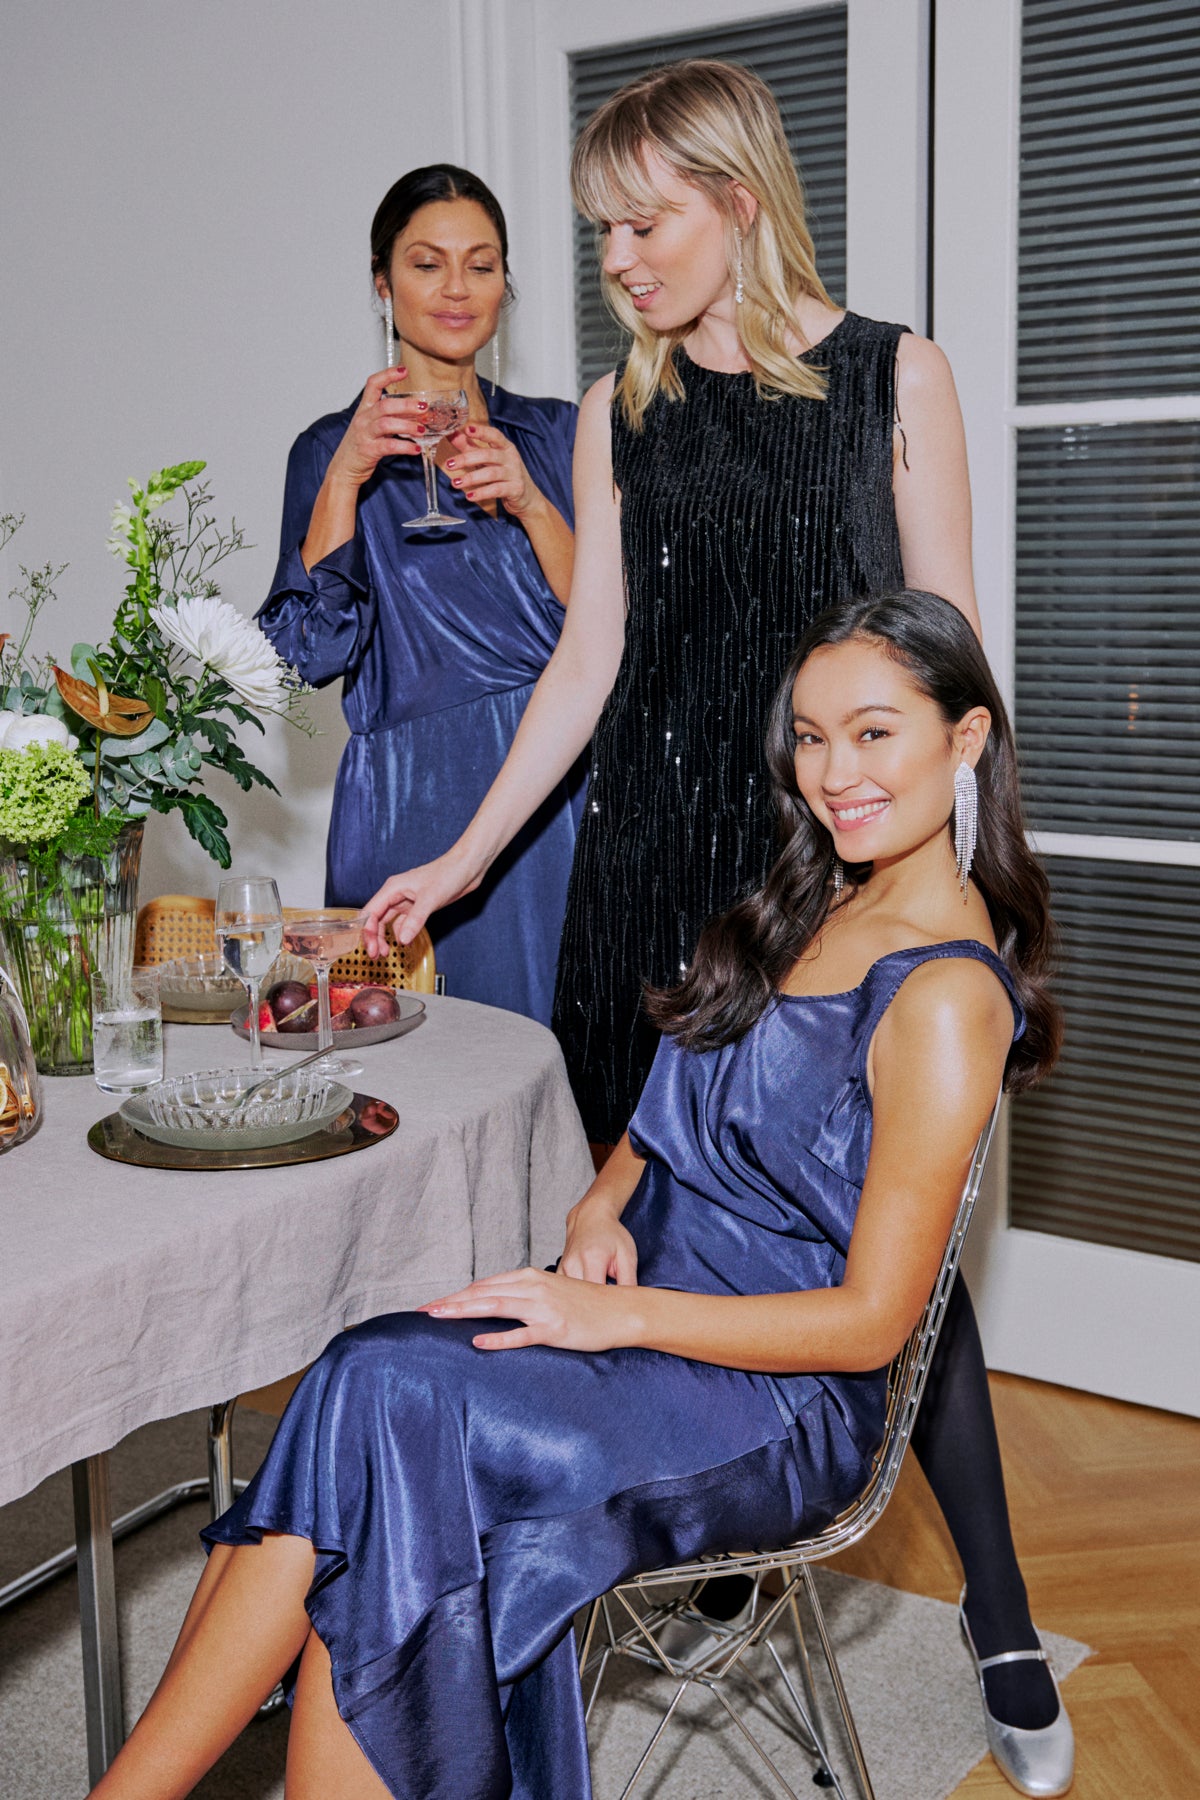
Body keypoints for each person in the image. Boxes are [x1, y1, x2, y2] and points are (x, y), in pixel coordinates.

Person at [358, 64, 1073, 1788]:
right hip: (653, 879)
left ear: (742, 199)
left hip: (839, 875)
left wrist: (957, 916)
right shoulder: (621, 409)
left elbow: (950, 651)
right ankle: (707, 1533)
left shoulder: (899, 377)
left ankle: (996, 1613)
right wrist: (456, 862)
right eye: (599, 227)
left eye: (643, 219)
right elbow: (588, 658)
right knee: (658, 1220)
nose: (614, 254)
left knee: (888, 1288)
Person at [88, 593, 1070, 1800]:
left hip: (772, 1402)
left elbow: (874, 1322)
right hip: (650, 1311)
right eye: (811, 738)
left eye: (874, 734)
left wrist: (616, 1318)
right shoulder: (827, 891)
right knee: (366, 1388)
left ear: (966, 740)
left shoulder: (946, 1001)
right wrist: (603, 1204)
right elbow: (675, 1099)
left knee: (391, 1406)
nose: (834, 773)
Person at [258, 164, 583, 1025]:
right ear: (381, 281)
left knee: (568, 1077)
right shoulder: (327, 449)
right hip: (405, 798)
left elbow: (612, 631)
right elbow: (305, 655)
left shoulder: (560, 433)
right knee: (406, 1073)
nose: (456, 289)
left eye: (481, 265)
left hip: (554, 796)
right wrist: (349, 474)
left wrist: (529, 499)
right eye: (427, 262)